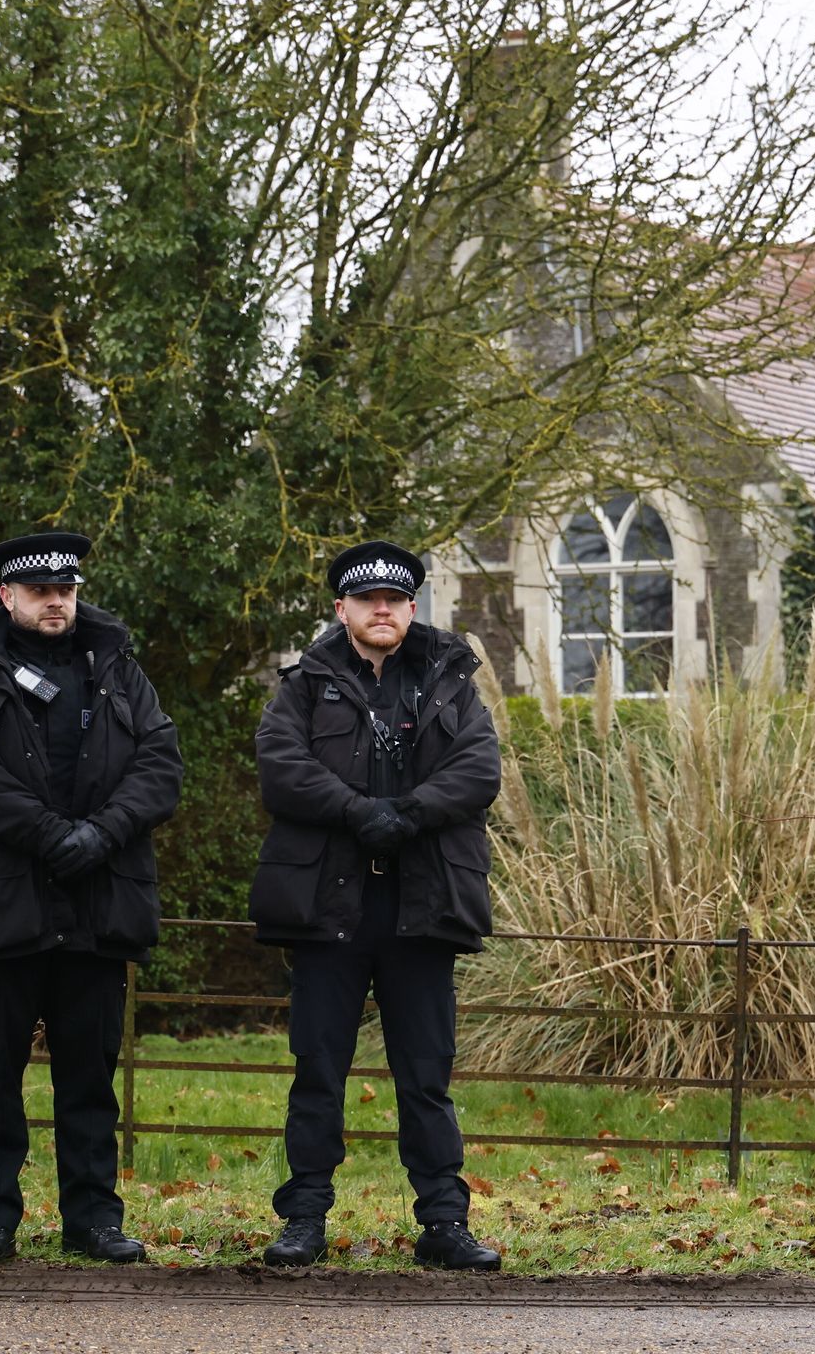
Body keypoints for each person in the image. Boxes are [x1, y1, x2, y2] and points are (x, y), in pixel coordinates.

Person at [0, 531, 183, 1268]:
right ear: (8, 596)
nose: (55, 602)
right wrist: (52, 836)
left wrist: (100, 835)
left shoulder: (118, 668)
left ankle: (93, 1220)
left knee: (89, 1078)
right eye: (41, 592)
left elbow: (160, 765)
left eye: (65, 591)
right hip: (1, 905)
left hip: (96, 905)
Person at [251, 539, 503, 1271]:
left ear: (411, 608)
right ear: (343, 610)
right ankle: (303, 1215)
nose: (382, 610)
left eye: (394, 600)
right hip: (331, 907)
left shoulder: (452, 681)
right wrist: (361, 813)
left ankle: (444, 1223)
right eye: (368, 601)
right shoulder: (304, 683)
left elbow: (478, 769)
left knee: (426, 1072)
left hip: (421, 907)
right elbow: (282, 768)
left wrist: (411, 813)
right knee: (318, 1068)